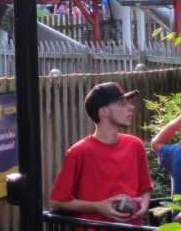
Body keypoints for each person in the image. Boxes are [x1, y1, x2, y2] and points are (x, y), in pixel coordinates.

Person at [49, 82, 153, 225]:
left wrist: (145, 203)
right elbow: (57, 200)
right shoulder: (80, 151)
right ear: (104, 111)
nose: (131, 107)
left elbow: (145, 189)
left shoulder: (135, 145)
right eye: (121, 103)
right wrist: (98, 207)